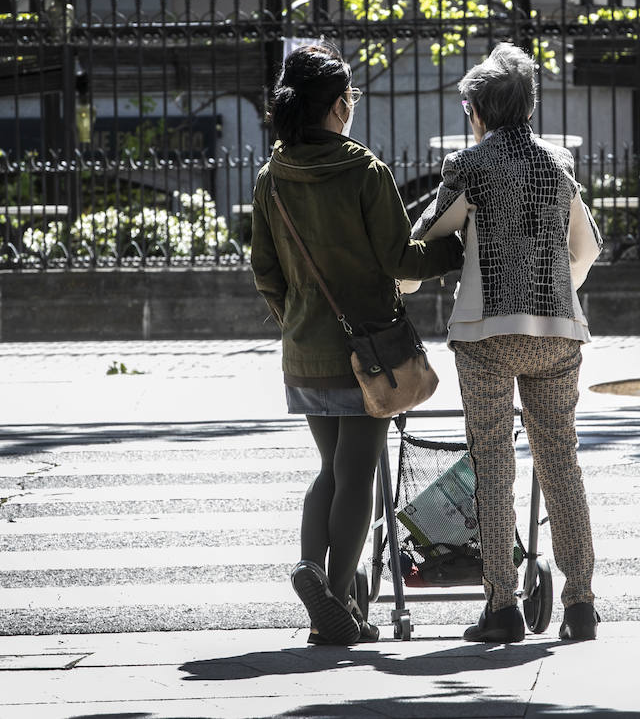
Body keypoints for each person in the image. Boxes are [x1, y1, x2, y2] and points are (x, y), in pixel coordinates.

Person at [251, 42, 463, 646]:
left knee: (329, 470)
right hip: (368, 353)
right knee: (359, 474)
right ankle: (336, 606)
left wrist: (296, 317)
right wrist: (457, 248)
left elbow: (263, 269)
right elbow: (401, 257)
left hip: (304, 353)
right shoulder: (363, 170)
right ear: (340, 105)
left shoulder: (273, 176)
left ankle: (317, 579)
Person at [405, 42, 603, 643]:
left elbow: (423, 241)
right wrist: (553, 290)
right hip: (557, 335)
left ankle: (501, 606)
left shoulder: (471, 166)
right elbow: (587, 247)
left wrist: (404, 284)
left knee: (494, 469)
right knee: (560, 461)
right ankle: (581, 604)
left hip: (488, 336)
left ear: (479, 111)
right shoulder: (556, 165)